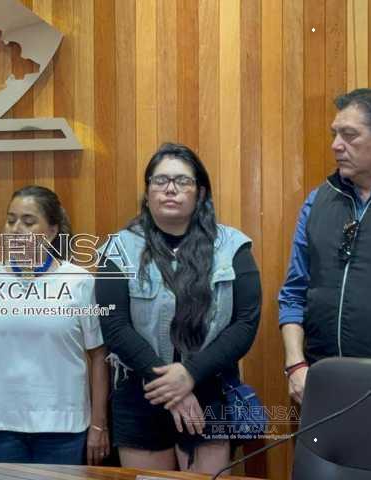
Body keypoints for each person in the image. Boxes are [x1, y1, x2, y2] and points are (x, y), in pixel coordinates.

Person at [95, 143, 261, 475]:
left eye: (182, 181)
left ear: (200, 193)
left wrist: (190, 374)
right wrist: (172, 386)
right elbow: (114, 325)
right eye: (160, 180)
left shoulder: (233, 247)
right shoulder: (118, 249)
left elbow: (245, 323)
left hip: (210, 389)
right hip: (141, 391)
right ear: (147, 194)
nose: (170, 188)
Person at [279, 88, 371, 404]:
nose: (336, 145)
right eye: (334, 134)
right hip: (321, 381)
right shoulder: (318, 200)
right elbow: (294, 291)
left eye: (349, 135)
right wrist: (295, 365)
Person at [0, 185, 110, 465]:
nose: (16, 229)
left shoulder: (79, 282)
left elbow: (98, 356)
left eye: (28, 222)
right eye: (11, 220)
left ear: (51, 231)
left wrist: (99, 425)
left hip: (64, 427)